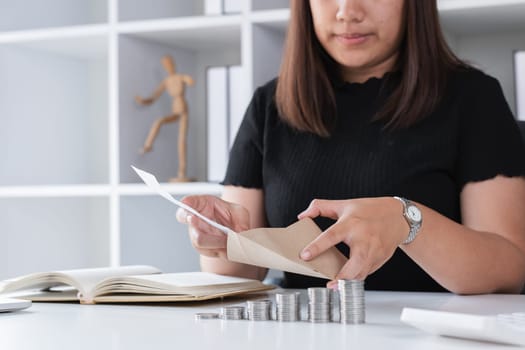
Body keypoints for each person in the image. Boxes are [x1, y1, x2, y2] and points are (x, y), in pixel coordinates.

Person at [176, 0, 525, 294]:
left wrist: (406, 219)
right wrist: (217, 238)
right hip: (308, 334)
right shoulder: (270, 105)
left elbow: (510, 269)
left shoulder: (473, 97)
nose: (346, 11)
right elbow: (237, 274)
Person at [135, 55, 195, 182]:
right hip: (175, 109)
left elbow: (190, 81)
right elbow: (153, 97)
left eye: (170, 64)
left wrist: (188, 80)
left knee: (181, 140)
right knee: (159, 121)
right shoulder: (166, 82)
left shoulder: (180, 77)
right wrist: (143, 101)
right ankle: (148, 145)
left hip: (183, 108)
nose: (169, 67)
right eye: (166, 65)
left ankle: (181, 172)